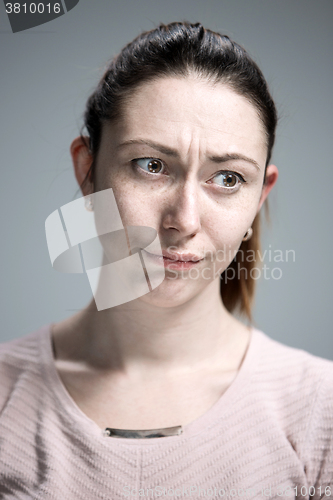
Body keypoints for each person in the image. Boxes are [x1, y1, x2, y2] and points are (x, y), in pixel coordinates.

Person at [0, 21, 332, 499]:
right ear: (86, 171)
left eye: (228, 178)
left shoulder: (321, 412)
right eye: (150, 165)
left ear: (261, 195)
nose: (184, 220)